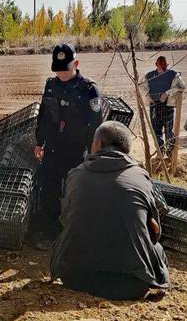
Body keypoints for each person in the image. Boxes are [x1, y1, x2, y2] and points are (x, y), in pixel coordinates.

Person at [50, 121, 170, 300]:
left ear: (97, 144)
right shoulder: (140, 177)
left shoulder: (75, 174)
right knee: (157, 248)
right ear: (127, 149)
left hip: (75, 277)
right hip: (130, 285)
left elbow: (66, 220)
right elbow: (154, 232)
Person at [34, 43, 102, 244]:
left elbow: (96, 125)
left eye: (65, 69)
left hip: (78, 150)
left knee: (77, 192)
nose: (61, 74)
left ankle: (76, 234)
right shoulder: (51, 85)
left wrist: (93, 152)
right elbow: (44, 116)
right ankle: (50, 233)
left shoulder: (89, 90)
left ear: (76, 64)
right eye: (58, 70)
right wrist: (39, 142)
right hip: (54, 148)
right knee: (49, 189)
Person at [144, 55, 185, 155]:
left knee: (168, 130)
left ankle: (170, 152)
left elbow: (181, 86)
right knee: (156, 130)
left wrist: (168, 93)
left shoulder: (173, 74)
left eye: (165, 64)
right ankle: (160, 150)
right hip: (154, 106)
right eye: (161, 64)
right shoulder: (149, 76)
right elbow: (143, 88)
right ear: (156, 64)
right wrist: (147, 96)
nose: (163, 66)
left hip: (167, 106)